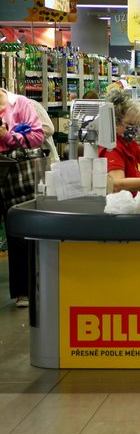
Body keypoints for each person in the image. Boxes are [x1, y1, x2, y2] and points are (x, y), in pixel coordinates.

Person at [0, 89, 45, 308]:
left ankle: (23, 290)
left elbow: (38, 135)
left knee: (18, 230)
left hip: (16, 175)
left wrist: (7, 136)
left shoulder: (20, 104)